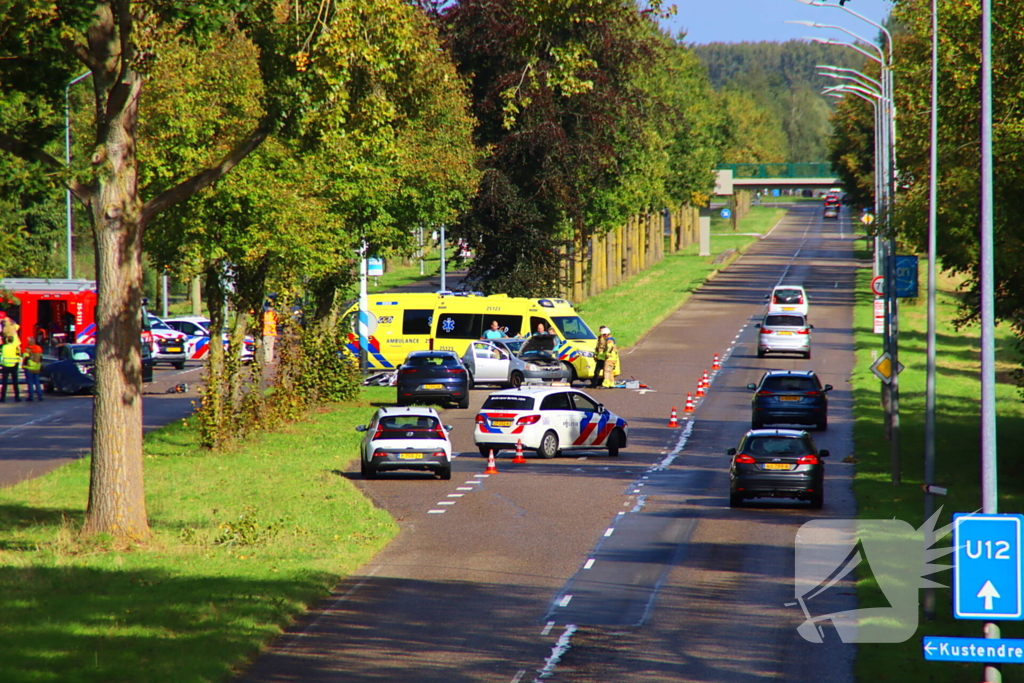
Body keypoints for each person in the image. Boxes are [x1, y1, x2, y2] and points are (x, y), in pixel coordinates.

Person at [1, 335, 22, 402]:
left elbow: (1, 356)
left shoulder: (4, 347)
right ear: (13, 340)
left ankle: (3, 398)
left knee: (4, 383)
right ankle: (17, 397)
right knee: (15, 382)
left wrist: (1, 363)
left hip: (6, 365)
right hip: (14, 365)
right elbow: (19, 356)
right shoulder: (15, 347)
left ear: (7, 340)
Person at [22, 336, 43, 402]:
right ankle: (40, 396)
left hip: (29, 367)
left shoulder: (28, 349)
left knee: (30, 383)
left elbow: (25, 358)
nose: (27, 342)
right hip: (37, 367)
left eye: (28, 341)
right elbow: (41, 358)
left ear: (30, 341)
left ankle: (31, 397)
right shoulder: (39, 348)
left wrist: (23, 365)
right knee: (37, 382)